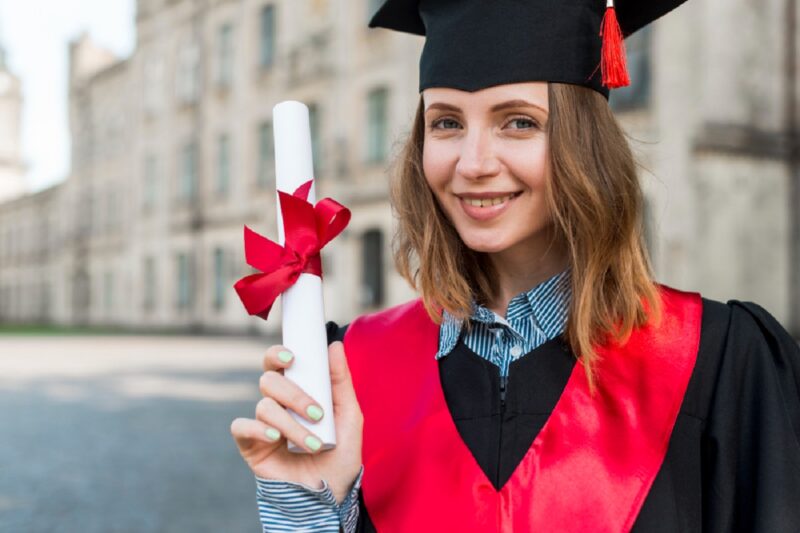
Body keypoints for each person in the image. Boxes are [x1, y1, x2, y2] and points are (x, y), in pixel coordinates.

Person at [230, 0, 800, 531]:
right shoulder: (353, 370)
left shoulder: (718, 359)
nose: (473, 163)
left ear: (585, 146)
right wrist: (307, 508)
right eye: (447, 122)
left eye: (518, 122)